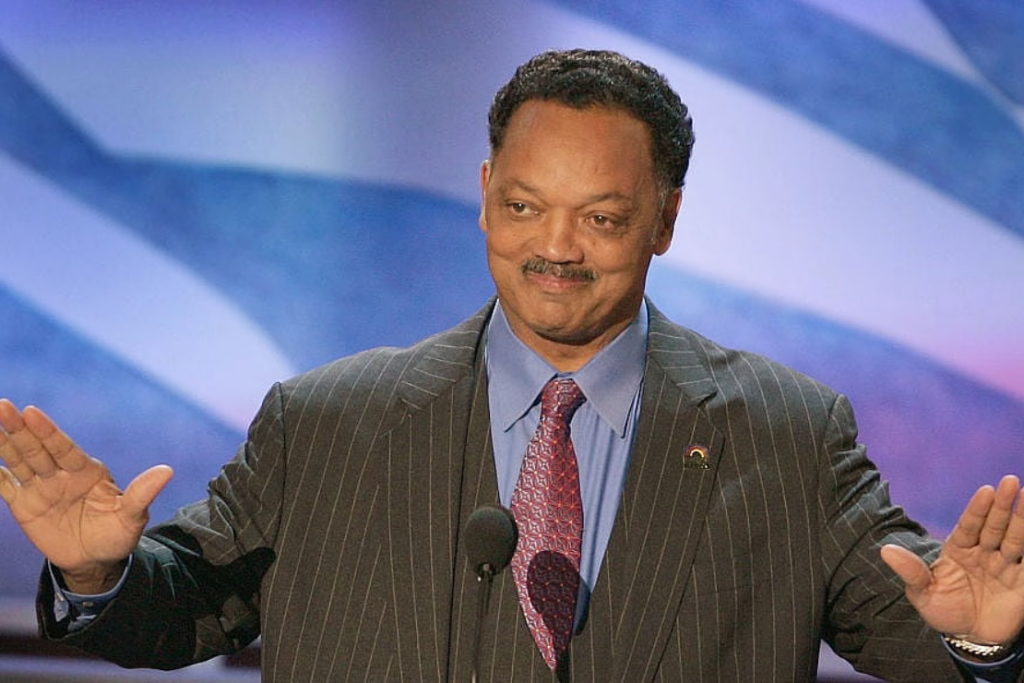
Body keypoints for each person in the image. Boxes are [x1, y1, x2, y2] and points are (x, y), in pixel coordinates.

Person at [1, 48, 1023, 683]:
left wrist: (984, 639)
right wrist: (99, 571)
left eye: (604, 216)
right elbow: (183, 610)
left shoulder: (790, 434)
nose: (556, 247)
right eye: (526, 206)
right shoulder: (325, 420)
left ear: (665, 218)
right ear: (486, 191)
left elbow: (922, 633)